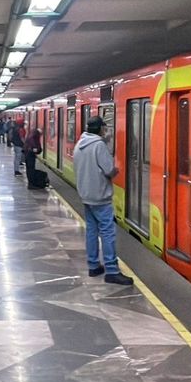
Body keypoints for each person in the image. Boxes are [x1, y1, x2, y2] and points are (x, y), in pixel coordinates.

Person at [72, 116, 132, 285]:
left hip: (86, 195)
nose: (105, 131)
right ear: (99, 129)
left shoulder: (79, 144)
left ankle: (93, 266)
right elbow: (109, 170)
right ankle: (112, 270)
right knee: (107, 232)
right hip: (100, 196)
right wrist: (116, 170)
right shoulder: (99, 145)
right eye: (104, 128)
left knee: (91, 231)